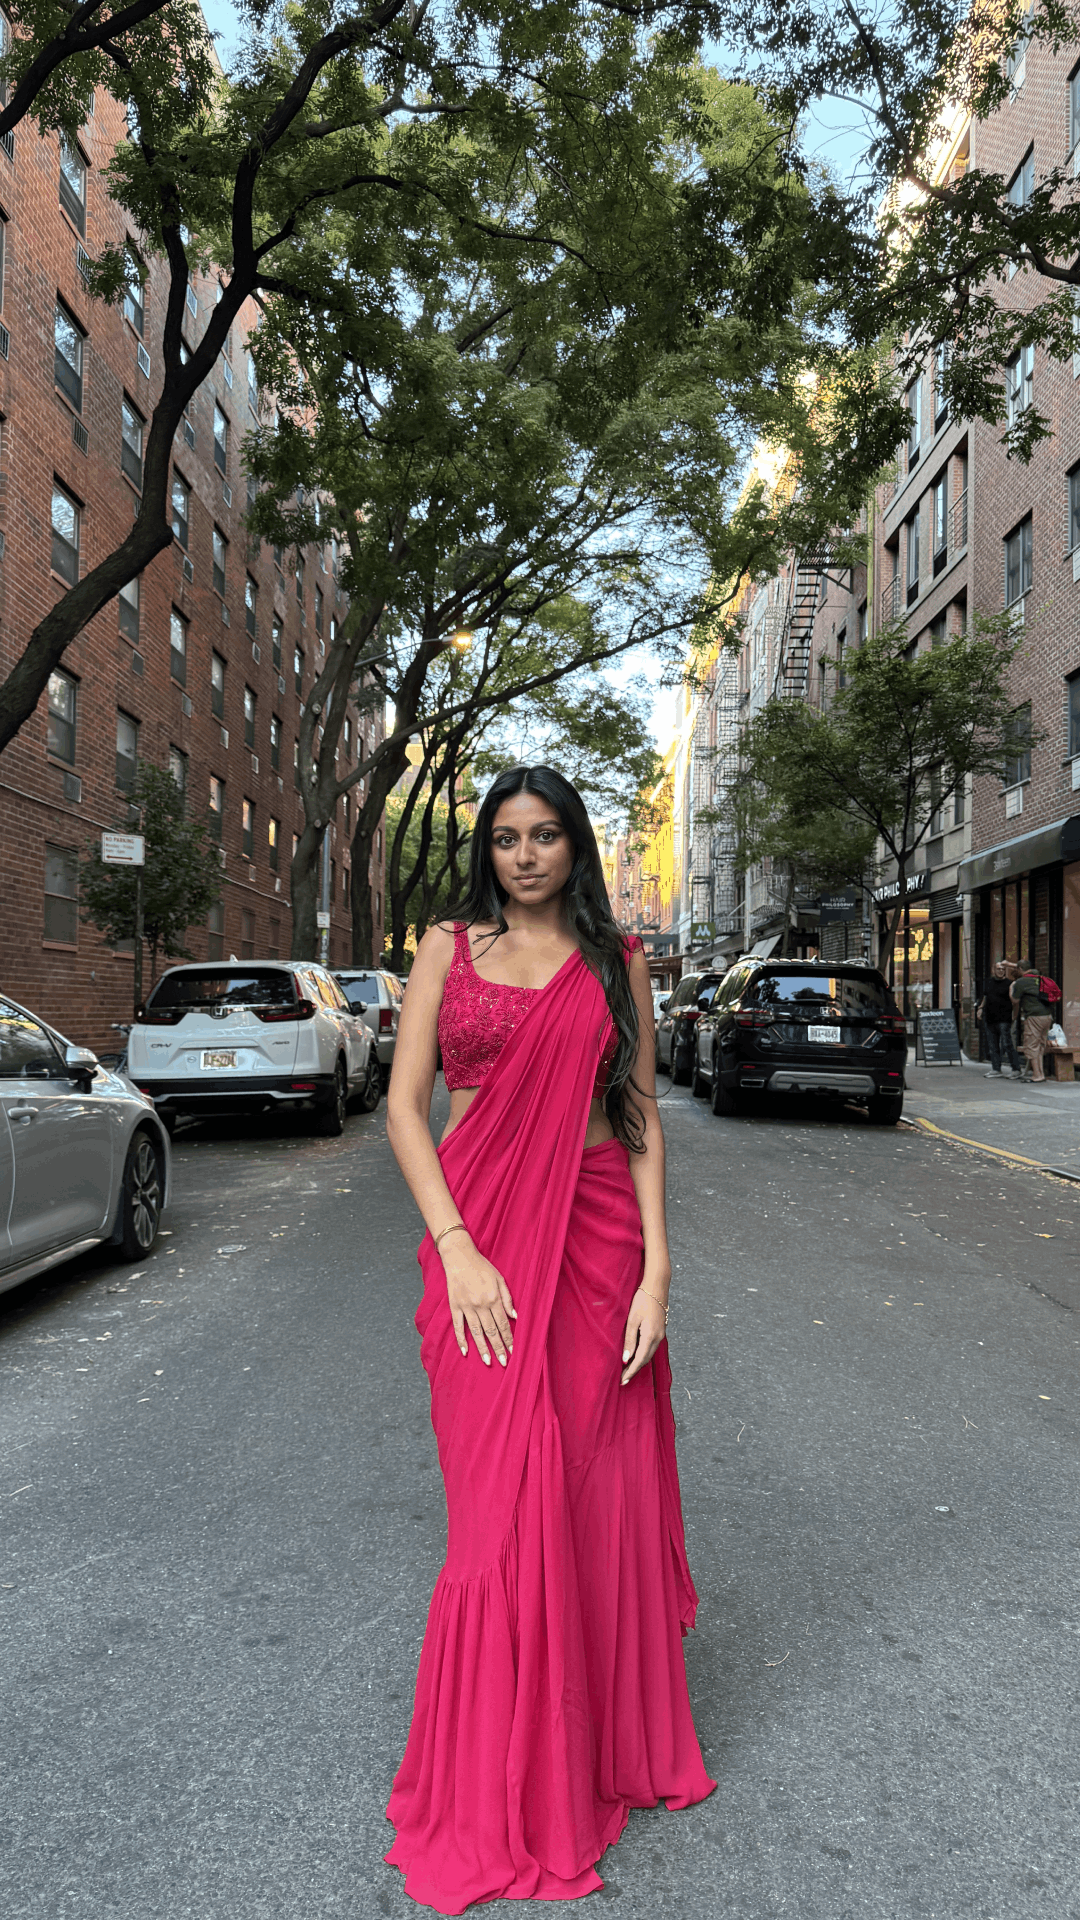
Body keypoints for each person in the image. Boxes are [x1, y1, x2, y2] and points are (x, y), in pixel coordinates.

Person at [383, 765, 715, 1912]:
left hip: (597, 1240)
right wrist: (457, 1244)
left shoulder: (616, 964)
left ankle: (593, 1752)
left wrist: (658, 1272)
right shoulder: (446, 946)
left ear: (577, 846)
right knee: (495, 1507)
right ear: (490, 849)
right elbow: (402, 1106)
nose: (526, 855)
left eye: (548, 836)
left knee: (589, 1493)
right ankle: (496, 1775)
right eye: (508, 837)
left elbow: (636, 1117)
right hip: (477, 1239)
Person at [978, 960, 1021, 1078]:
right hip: (990, 1017)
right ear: (994, 970)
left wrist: (1014, 1015)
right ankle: (996, 1069)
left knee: (1007, 1044)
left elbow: (1016, 1002)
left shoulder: (1010, 983)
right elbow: (985, 997)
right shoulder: (989, 982)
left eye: (1003, 969)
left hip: (1004, 1018)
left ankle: (1016, 1069)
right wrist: (980, 1008)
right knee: (993, 1045)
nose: (1001, 971)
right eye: (999, 969)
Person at [1011, 964, 1052, 1083]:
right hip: (1047, 1016)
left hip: (1034, 1016)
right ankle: (1041, 1073)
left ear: (1020, 969)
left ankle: (1037, 1075)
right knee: (1040, 1045)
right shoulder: (1041, 978)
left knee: (1031, 1045)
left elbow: (1015, 1000)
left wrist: (1011, 989)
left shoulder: (1021, 982)